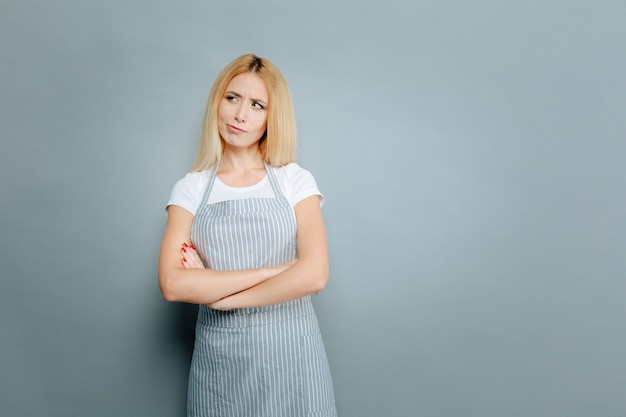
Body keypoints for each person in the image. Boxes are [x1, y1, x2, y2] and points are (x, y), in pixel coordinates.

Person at [158, 54, 337, 417]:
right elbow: (174, 285)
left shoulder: (294, 181)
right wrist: (276, 271)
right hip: (221, 367)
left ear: (273, 118)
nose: (240, 115)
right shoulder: (191, 189)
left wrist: (220, 296)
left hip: (294, 360)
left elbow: (315, 274)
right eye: (232, 98)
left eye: (257, 105)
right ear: (217, 102)